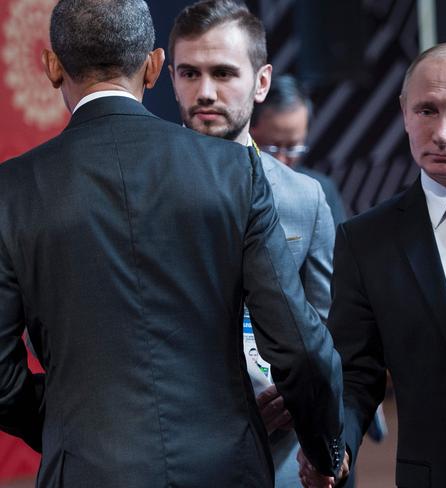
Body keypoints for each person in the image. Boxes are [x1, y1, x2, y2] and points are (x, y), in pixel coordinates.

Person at [0, 0, 344, 486]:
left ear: (52, 67)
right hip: (229, 467)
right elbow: (301, 345)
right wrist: (327, 449)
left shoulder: (10, 191)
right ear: (155, 66)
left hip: (85, 468)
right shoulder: (234, 172)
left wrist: (68, 427)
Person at [301, 42, 446, 488]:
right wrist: (337, 448)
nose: (442, 133)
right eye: (426, 111)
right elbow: (355, 373)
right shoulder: (367, 241)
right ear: (405, 113)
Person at [167, 1, 337, 486]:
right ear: (169, 76)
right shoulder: (138, 191)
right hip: (172, 454)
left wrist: (302, 405)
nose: (205, 92)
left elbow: (327, 332)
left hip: (280, 459)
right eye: (189, 73)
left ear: (261, 82)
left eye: (223, 73)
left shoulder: (305, 198)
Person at [251, 74, 349, 225]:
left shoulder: (321, 193)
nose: (281, 160)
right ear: (250, 134)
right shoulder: (228, 188)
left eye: (292, 148)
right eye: (271, 148)